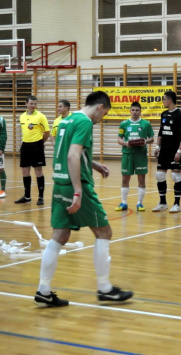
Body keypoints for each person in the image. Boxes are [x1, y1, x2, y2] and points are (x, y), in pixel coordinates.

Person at [35, 91, 133, 307]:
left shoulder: (66, 120)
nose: (102, 119)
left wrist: (94, 164)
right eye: (104, 114)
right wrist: (78, 191)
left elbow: (68, 152)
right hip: (75, 185)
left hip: (59, 183)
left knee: (59, 235)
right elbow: (72, 155)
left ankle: (43, 290)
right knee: (104, 231)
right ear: (99, 107)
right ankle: (105, 288)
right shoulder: (85, 122)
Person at [152, 91, 181, 213]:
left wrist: (179, 151)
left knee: (175, 176)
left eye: (164, 99)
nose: (163, 101)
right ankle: (163, 203)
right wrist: (157, 147)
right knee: (160, 175)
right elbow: (161, 132)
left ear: (170, 100)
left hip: (175, 150)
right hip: (164, 150)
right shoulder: (163, 114)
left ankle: (177, 204)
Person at [115, 101, 154, 212]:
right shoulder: (124, 124)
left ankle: (139, 203)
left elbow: (152, 139)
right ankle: (124, 203)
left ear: (140, 111)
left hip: (140, 154)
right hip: (127, 154)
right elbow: (119, 139)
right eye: (133, 110)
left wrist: (145, 141)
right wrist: (125, 143)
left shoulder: (146, 124)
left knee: (141, 179)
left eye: (137, 110)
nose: (135, 112)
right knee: (125, 178)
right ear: (130, 111)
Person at [15, 95, 50, 205]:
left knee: (38, 171)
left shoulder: (41, 116)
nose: (33, 106)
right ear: (26, 104)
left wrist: (41, 143)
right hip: (25, 145)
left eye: (35, 104)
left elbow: (47, 132)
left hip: (37, 145)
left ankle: (40, 197)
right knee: (25, 171)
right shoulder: (22, 117)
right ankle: (27, 196)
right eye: (31, 103)